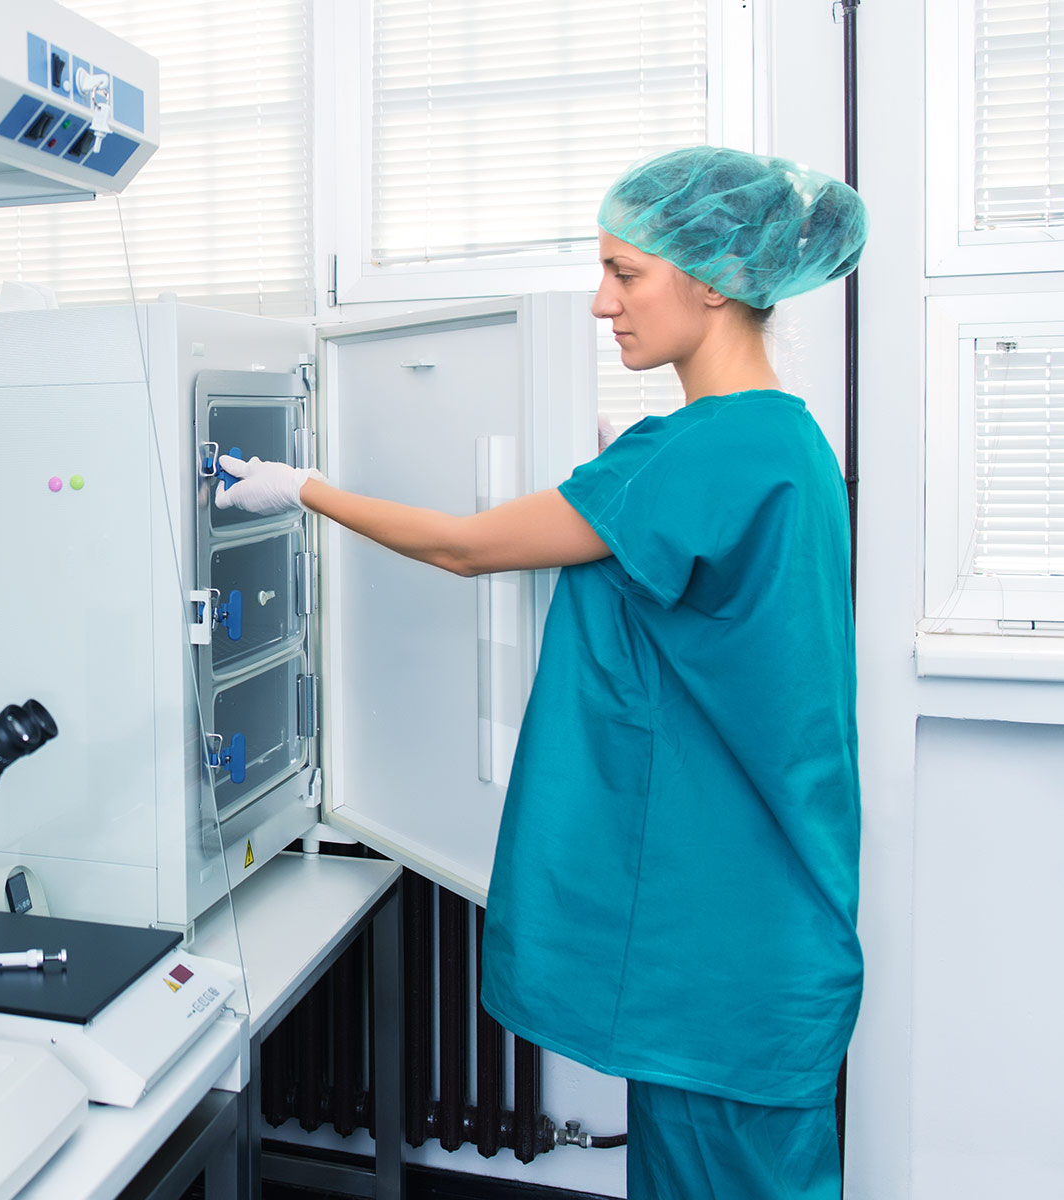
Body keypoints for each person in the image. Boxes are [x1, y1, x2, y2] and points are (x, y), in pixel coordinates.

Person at [217, 146, 868, 1200]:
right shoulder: (772, 440)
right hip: (752, 928)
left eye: (626, 273)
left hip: (719, 942)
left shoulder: (701, 455)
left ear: (711, 281)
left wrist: (304, 489)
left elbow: (466, 546)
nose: (600, 303)